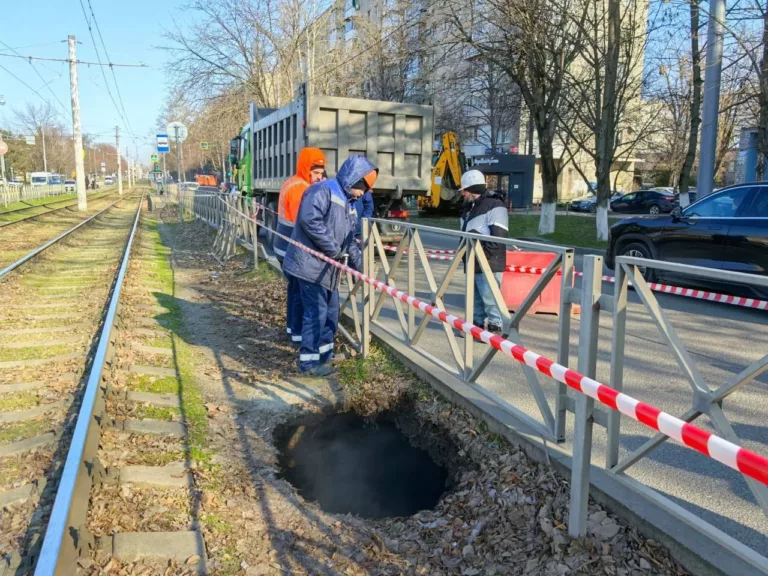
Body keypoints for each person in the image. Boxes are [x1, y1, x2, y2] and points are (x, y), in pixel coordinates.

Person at [282, 155, 378, 376]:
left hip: (328, 270)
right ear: (354, 181)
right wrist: (333, 250)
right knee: (315, 313)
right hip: (309, 266)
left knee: (331, 313)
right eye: (363, 187)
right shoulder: (323, 190)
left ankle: (325, 355)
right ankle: (309, 364)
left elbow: (351, 240)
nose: (364, 194)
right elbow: (309, 220)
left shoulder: (350, 204)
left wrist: (363, 270)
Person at [274, 148, 326, 345]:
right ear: (307, 168)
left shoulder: (296, 182)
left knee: (294, 290)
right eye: (316, 173)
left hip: (285, 245)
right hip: (290, 247)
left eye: (322, 173)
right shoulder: (300, 189)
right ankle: (297, 336)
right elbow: (305, 223)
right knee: (299, 293)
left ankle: (292, 331)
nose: (319, 177)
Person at [458, 169, 509, 335]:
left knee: (491, 301)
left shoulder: (495, 205)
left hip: (488, 262)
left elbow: (499, 238)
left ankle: (495, 331)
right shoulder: (469, 208)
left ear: (472, 190)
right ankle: (476, 328)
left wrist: (483, 258)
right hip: (473, 261)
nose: (463, 194)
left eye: (464, 191)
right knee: (475, 300)